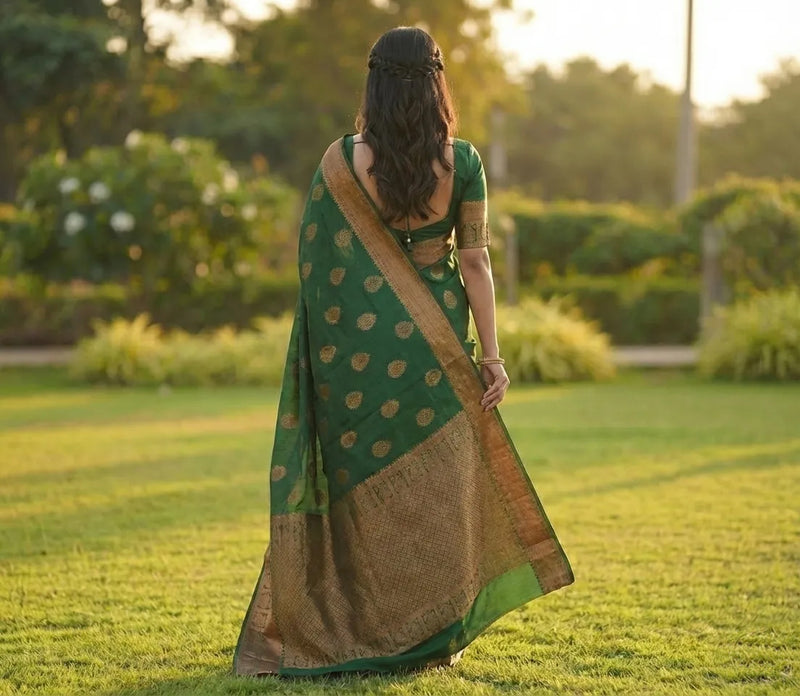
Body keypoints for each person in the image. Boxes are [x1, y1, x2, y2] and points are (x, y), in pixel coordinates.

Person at [233, 26, 573, 677]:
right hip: (439, 343)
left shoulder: (341, 160)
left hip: (360, 350)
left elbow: (317, 266)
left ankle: (365, 626)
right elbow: (474, 264)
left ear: (375, 81)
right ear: (435, 80)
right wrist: (492, 357)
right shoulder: (461, 161)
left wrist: (333, 347)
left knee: (360, 487)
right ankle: (431, 636)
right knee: (442, 489)